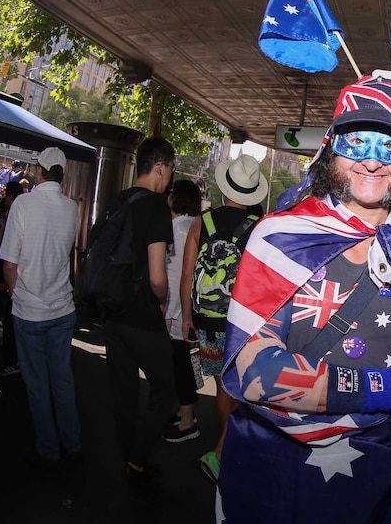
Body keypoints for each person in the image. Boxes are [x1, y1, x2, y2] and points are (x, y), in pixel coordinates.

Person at [216, 70, 391, 523]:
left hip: (385, 479)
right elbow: (255, 373)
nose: (372, 162)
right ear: (330, 148)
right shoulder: (280, 238)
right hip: (274, 473)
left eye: (390, 145)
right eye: (356, 142)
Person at [178, 153, 267, 480]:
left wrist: (187, 317)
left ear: (225, 186)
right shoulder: (259, 227)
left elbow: (188, 275)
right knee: (244, 388)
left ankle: (223, 445)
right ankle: (227, 448)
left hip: (207, 323)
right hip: (242, 324)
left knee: (222, 388)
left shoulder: (202, 222)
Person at [0, 147, 81, 470]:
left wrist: (19, 294)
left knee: (36, 384)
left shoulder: (23, 204)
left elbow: (9, 265)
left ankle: (48, 449)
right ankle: (72, 442)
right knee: (62, 379)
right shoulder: (71, 208)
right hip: (63, 308)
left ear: (40, 171)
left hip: (29, 311)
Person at [102, 136, 177, 489]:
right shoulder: (156, 207)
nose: (169, 180)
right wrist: (162, 299)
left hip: (112, 311)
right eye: (170, 171)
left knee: (124, 392)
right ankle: (137, 459)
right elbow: (158, 277)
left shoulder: (118, 199)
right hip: (143, 318)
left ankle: (125, 456)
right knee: (166, 392)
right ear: (160, 167)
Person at [163, 179, 203, 444]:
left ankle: (187, 420)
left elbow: (179, 277)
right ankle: (184, 412)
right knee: (184, 364)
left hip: (178, 313)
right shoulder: (192, 226)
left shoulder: (178, 231)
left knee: (181, 365)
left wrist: (170, 314)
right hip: (187, 311)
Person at [0, 181, 25, 378]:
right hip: (13, 274)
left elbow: (7, 262)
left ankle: (5, 359)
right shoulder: (23, 218)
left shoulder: (2, 221)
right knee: (7, 318)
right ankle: (9, 359)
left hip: (3, 271)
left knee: (3, 316)